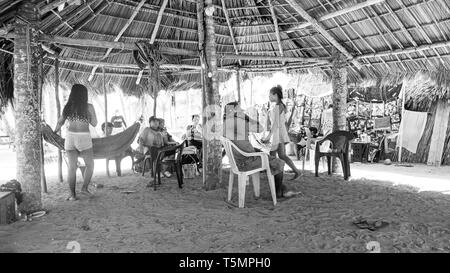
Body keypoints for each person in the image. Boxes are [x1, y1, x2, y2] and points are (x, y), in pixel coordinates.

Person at [223, 102, 296, 198]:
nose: (242, 110)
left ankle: (281, 188)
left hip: (237, 160)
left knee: (267, 156)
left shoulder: (225, 123)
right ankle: (279, 191)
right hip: (246, 161)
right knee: (279, 163)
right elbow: (260, 128)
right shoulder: (238, 122)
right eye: (240, 109)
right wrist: (246, 117)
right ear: (235, 111)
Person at [54, 84, 97, 201]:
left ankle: (72, 195)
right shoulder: (89, 107)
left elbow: (60, 123)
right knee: (90, 165)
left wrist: (53, 132)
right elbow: (94, 123)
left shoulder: (68, 107)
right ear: (84, 94)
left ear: (72, 94)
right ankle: (84, 188)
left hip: (70, 137)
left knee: (71, 168)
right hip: (83, 137)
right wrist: (87, 117)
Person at [262, 85, 302, 180]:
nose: (269, 97)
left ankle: (274, 175)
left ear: (275, 95)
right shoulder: (280, 106)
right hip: (279, 133)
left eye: (270, 95)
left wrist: (268, 136)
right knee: (280, 155)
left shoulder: (278, 106)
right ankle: (295, 172)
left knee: (274, 154)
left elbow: (275, 124)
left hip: (278, 134)